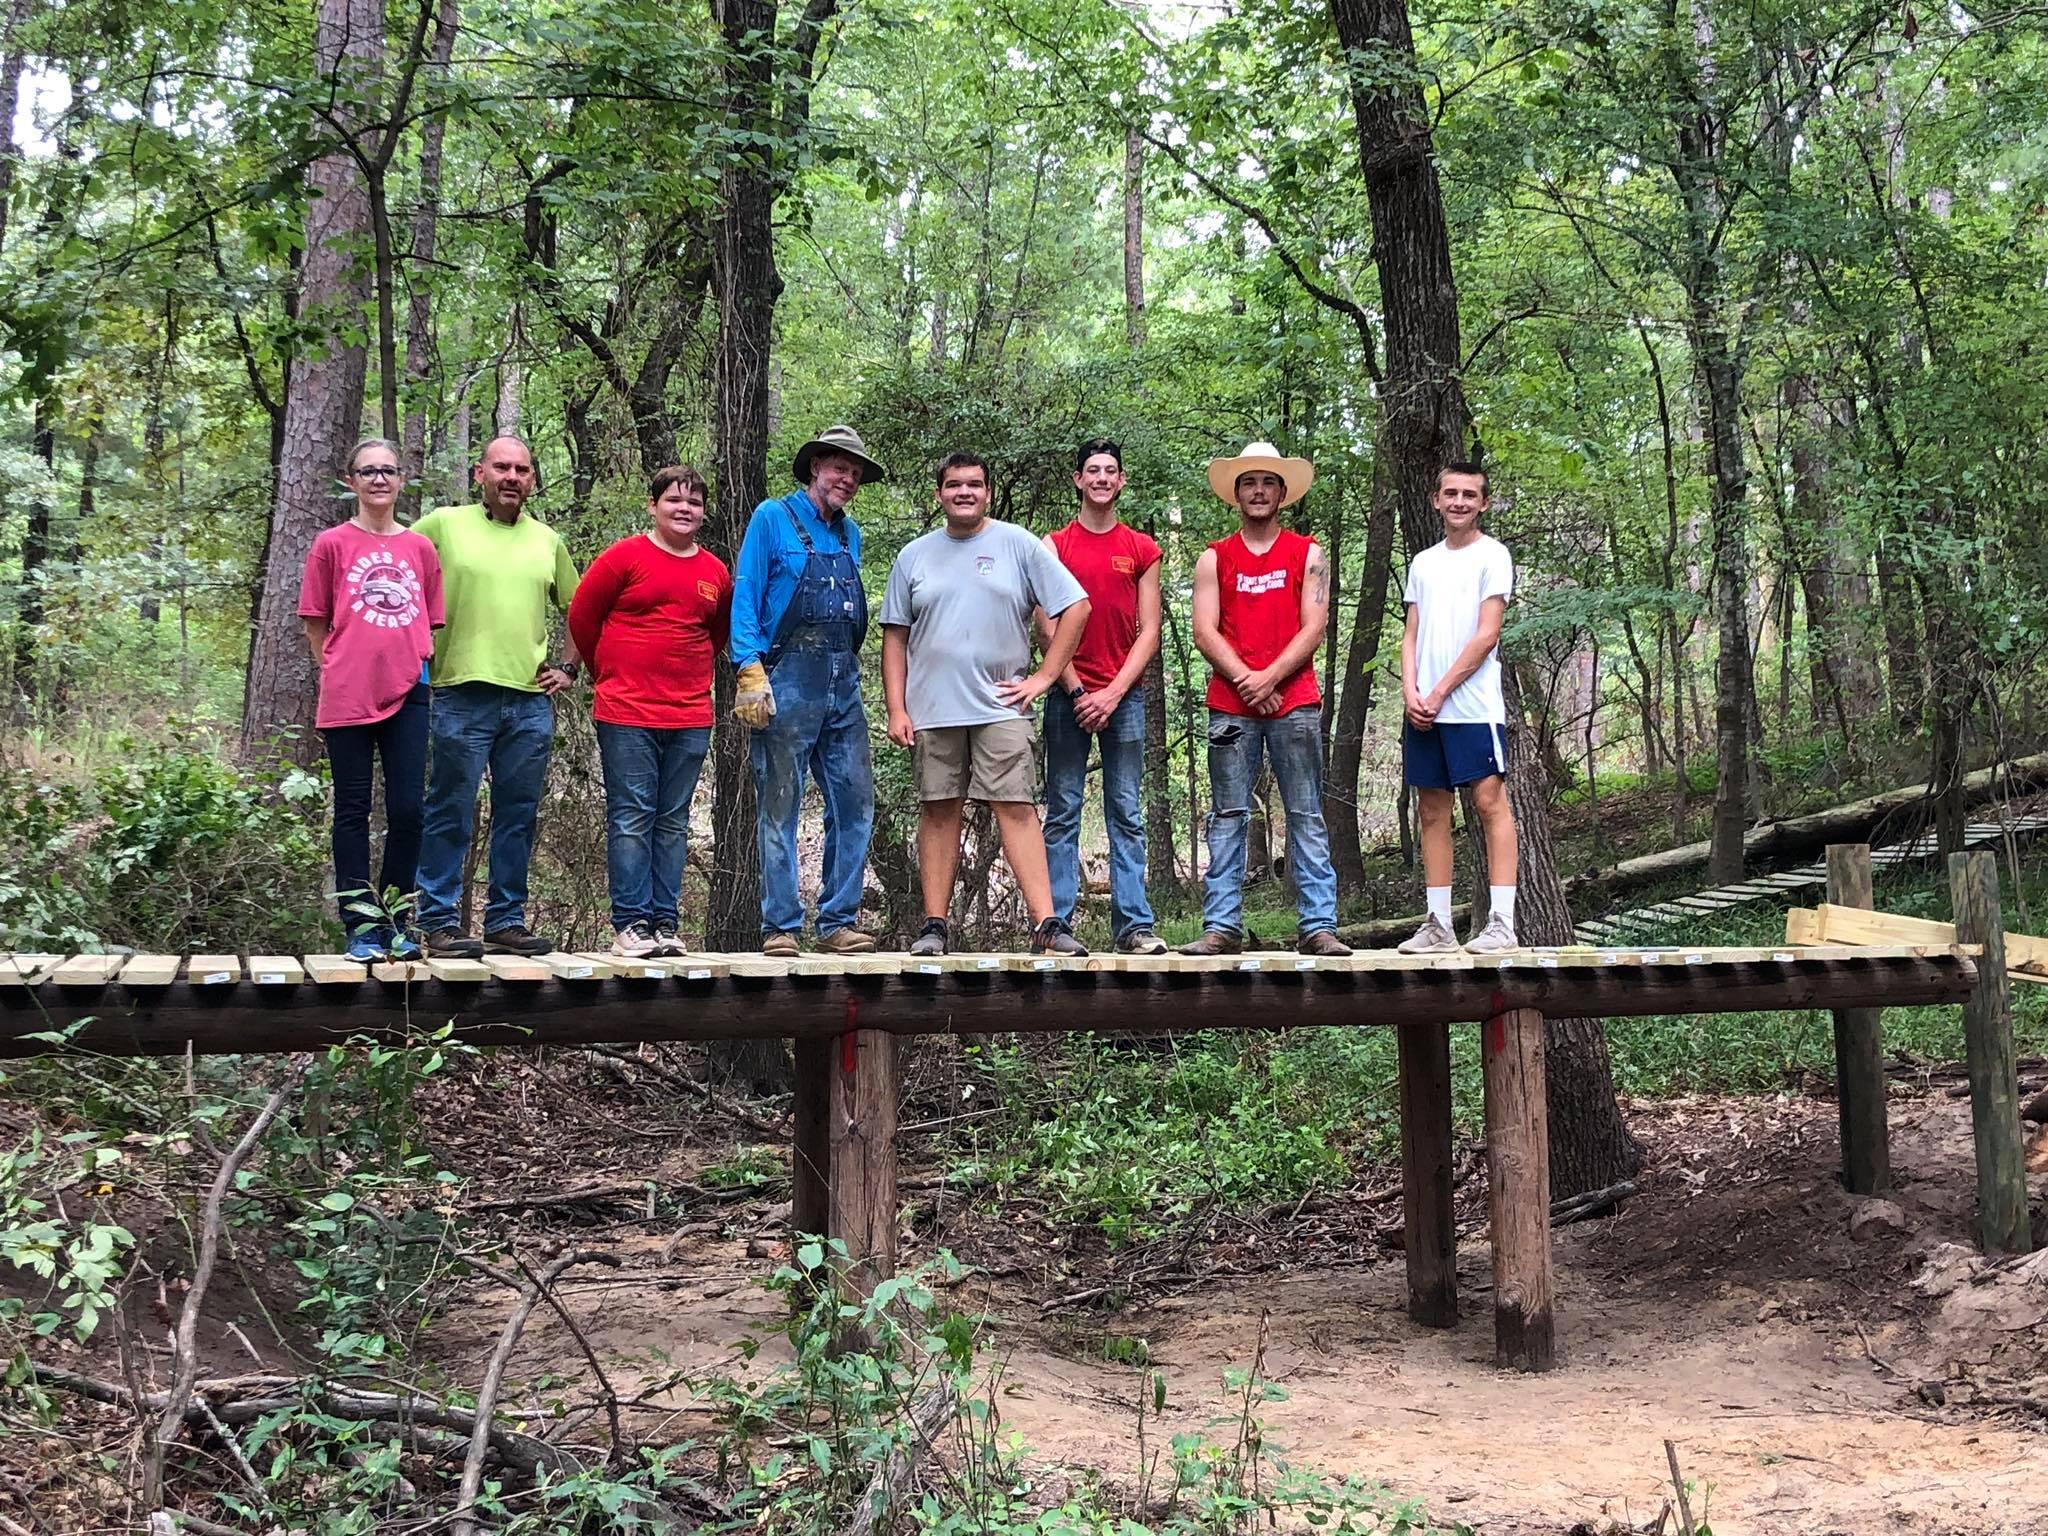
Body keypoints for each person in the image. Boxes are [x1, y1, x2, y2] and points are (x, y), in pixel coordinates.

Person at [882, 452, 1092, 956]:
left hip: (1002, 705)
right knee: (937, 809)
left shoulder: (1017, 544)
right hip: (933, 708)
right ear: (940, 495)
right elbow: (894, 636)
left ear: (988, 492)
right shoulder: (914, 556)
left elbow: (1077, 606)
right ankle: (934, 925)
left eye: (974, 484)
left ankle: (1047, 924)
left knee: (1016, 807)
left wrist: (1044, 677)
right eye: (954, 485)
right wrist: (896, 708)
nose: (964, 492)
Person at [1179, 443, 1352, 958]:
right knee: (1228, 814)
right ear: (1236, 494)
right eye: (1249, 482)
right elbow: (1204, 630)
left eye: (1268, 483)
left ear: (1282, 493)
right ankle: (1221, 927)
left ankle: (1318, 925)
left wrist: (1271, 676)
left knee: (1305, 812)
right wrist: (1246, 679)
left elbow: (1314, 625)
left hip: (1295, 699)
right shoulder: (1215, 557)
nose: (1258, 491)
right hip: (1230, 705)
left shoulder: (1308, 554)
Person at [412, 436, 581, 959]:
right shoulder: (443, 525)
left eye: (522, 470)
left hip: (529, 700)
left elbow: (579, 609)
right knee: (450, 809)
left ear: (533, 480)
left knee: (518, 813)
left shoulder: (547, 540)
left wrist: (569, 668)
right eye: (501, 467)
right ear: (479, 472)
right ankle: (438, 922)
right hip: (459, 691)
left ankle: (505, 921)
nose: (511, 477)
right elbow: (396, 567)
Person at [568, 465, 732, 959]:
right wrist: (609, 672)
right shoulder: (624, 558)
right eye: (675, 500)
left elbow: (717, 634)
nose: (685, 509)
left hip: (689, 715)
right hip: (627, 711)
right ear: (653, 505)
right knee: (632, 815)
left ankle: (665, 921)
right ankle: (631, 924)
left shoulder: (714, 572)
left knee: (673, 820)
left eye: (695, 502)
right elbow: (582, 615)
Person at [730, 425, 882, 957]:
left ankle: (838, 920)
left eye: (855, 473)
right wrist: (748, 667)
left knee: (855, 800)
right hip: (786, 675)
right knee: (779, 803)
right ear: (815, 466)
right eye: (839, 467)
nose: (847, 478)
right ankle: (781, 926)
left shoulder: (850, 534)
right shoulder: (773, 517)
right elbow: (745, 590)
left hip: (844, 678)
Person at [297, 439, 444, 962]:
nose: (379, 480)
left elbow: (428, 621)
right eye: (368, 472)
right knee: (353, 810)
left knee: (409, 810)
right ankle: (360, 926)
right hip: (348, 695)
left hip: (410, 690)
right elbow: (315, 621)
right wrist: (336, 670)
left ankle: (395, 922)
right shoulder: (331, 544)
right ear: (351, 480)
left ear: (402, 480)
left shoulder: (420, 550)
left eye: (388, 471)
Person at [1038, 438, 1167, 956]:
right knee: (1063, 807)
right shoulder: (1054, 545)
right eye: (1092, 470)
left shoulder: (1141, 548)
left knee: (1126, 810)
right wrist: (1076, 688)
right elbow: (1046, 624)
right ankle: (1056, 925)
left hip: (1124, 698)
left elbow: (1149, 629)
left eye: (1110, 471)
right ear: (1078, 480)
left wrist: (1112, 693)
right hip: (1067, 695)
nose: (1101, 478)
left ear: (1121, 482)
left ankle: (1134, 925)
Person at [1397, 462, 1519, 955]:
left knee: (1490, 805)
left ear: (1483, 503)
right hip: (1425, 709)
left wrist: (1441, 689)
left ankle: (1502, 924)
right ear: (1436, 499)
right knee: (1431, 811)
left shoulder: (1494, 556)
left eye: (1470, 494)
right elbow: (1411, 635)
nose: (1460, 501)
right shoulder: (1423, 563)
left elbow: (1488, 633)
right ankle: (1438, 924)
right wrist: (1412, 692)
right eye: (1451, 493)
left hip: (1473, 706)